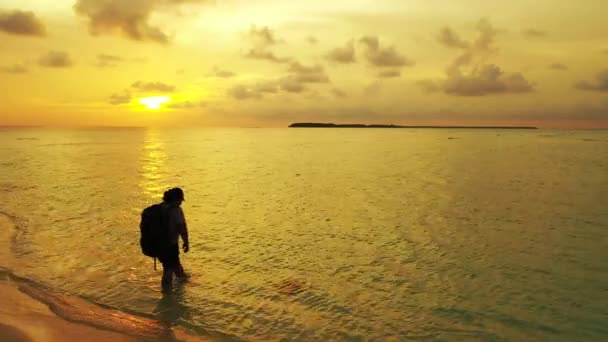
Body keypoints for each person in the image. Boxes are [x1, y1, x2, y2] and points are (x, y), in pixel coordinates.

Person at [158, 187, 190, 292]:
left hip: (159, 243)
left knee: (173, 264)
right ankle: (167, 295)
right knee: (168, 269)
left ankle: (183, 281)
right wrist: (186, 242)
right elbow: (181, 227)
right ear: (177, 199)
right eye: (180, 200)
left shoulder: (160, 208)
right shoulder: (176, 210)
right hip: (170, 244)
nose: (181, 202)